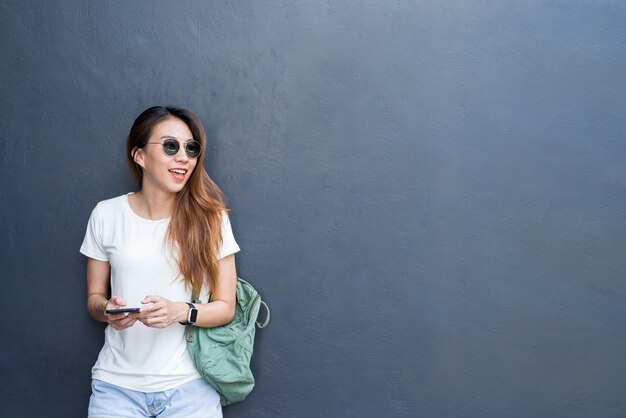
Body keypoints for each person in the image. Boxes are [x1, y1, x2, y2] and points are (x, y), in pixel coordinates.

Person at [80, 106, 239, 418]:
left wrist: (179, 311)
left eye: (191, 149)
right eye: (170, 146)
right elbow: (93, 300)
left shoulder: (211, 220)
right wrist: (108, 311)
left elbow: (226, 307)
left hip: (190, 389)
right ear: (139, 156)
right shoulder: (106, 215)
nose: (184, 157)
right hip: (116, 388)